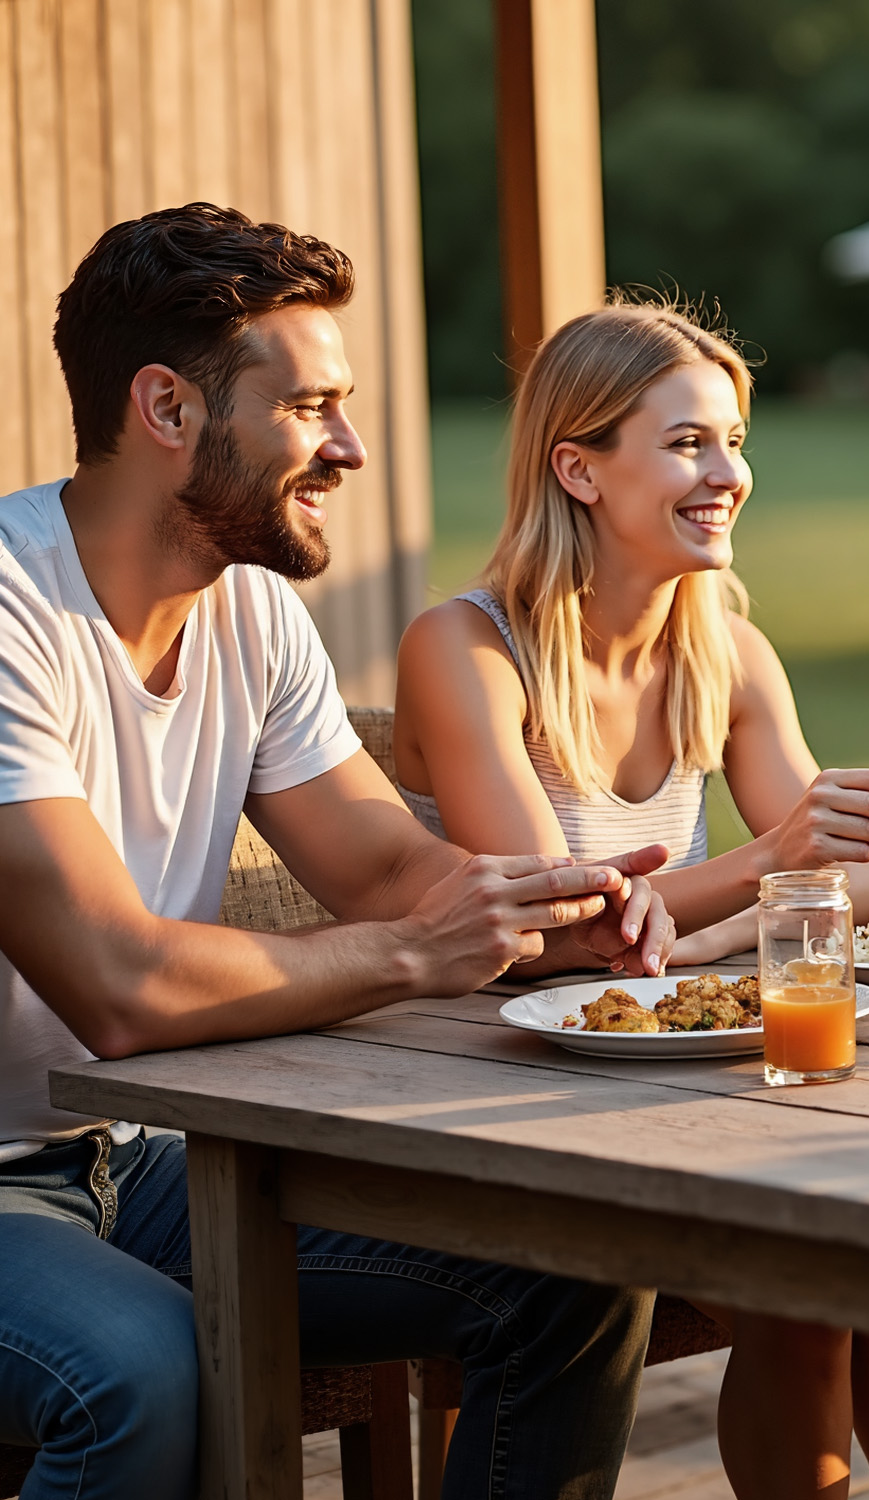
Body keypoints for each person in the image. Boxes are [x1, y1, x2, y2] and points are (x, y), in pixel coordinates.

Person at [0, 204, 673, 1500]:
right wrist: (420, 953)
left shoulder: (248, 607)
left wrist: (541, 914)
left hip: (139, 1162)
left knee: (568, 1269)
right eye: (311, 406)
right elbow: (119, 987)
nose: (351, 447)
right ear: (167, 409)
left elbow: (379, 865)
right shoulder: (13, 613)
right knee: (135, 1375)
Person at [395, 301, 869, 1500]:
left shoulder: (725, 651)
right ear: (577, 467)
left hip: (679, 1063)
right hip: (493, 1096)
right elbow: (551, 933)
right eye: (689, 443)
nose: (729, 473)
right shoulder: (467, 651)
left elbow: (852, 897)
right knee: (810, 1284)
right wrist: (762, 870)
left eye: (734, 441)